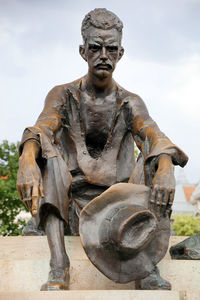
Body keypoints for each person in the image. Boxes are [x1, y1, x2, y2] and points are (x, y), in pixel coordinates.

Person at [17, 8, 188, 291]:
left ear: (121, 53)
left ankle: (146, 268)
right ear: (83, 51)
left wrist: (166, 166)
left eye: (111, 49)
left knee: (155, 158)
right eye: (96, 48)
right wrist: (27, 157)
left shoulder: (130, 102)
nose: (104, 56)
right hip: (71, 206)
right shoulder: (63, 94)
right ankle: (59, 265)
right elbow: (43, 128)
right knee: (46, 152)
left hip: (121, 209)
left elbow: (155, 136)